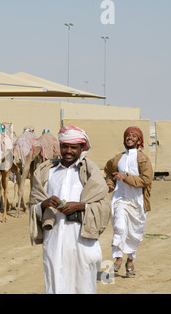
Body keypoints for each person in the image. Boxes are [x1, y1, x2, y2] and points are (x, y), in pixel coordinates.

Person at [30, 126, 111, 294]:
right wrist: (45, 204)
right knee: (55, 280)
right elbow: (34, 205)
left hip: (82, 238)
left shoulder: (90, 173)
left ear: (82, 148)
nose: (68, 151)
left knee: (83, 282)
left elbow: (104, 207)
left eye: (73, 147)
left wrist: (80, 206)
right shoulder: (48, 172)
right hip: (54, 238)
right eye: (65, 146)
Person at [104, 126, 153, 278]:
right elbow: (108, 171)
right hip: (120, 198)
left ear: (139, 140)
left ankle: (130, 260)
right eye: (127, 135)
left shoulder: (143, 159)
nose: (130, 138)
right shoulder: (118, 158)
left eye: (133, 136)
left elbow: (146, 180)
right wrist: (110, 183)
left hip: (137, 201)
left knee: (134, 232)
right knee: (119, 226)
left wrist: (126, 177)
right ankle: (118, 258)